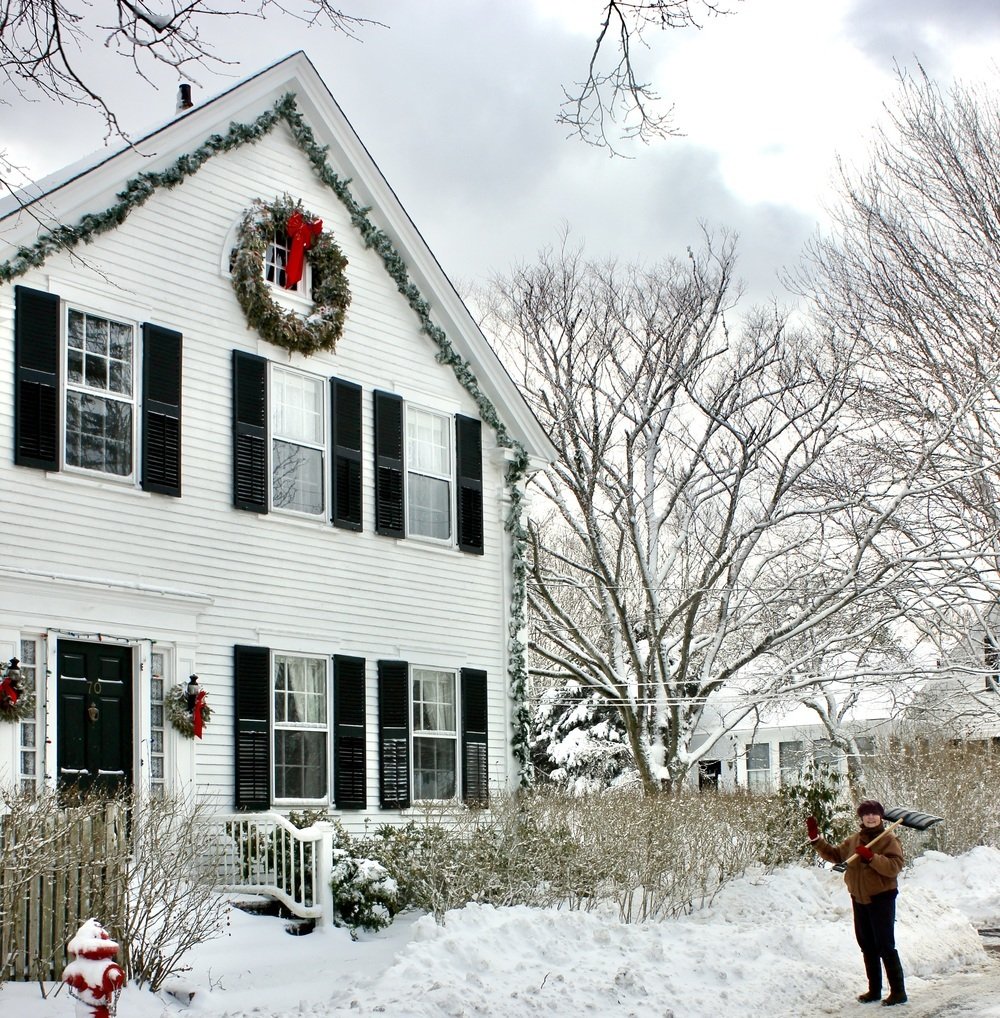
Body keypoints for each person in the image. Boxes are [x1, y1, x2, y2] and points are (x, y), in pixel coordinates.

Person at [807, 800, 907, 1007]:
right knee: (867, 945)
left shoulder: (888, 840)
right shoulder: (854, 840)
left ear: (881, 817)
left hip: (881, 897)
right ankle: (874, 990)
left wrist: (872, 857)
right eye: (866, 814)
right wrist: (817, 840)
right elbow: (835, 855)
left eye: (874, 814)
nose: (871, 817)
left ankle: (898, 992)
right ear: (861, 818)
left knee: (885, 945)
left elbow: (894, 867)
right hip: (859, 898)